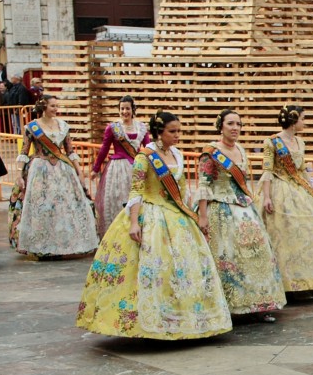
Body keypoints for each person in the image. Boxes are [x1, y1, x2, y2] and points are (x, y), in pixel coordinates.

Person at [76, 110, 232, 339]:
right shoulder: (145, 157)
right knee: (153, 268)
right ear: (159, 132)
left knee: (183, 270)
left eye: (179, 131)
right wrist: (133, 223)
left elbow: (181, 189)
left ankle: (187, 319)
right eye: (173, 131)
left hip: (177, 217)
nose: (177, 135)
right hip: (151, 215)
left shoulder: (177, 154)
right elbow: (136, 190)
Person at [196, 109, 286, 321]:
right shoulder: (210, 152)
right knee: (228, 256)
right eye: (230, 124)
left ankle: (259, 304)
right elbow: (203, 185)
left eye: (238, 124)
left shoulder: (241, 149)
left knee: (258, 254)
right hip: (221, 209)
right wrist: (202, 215)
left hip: (244, 208)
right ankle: (230, 306)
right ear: (221, 126)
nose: (235, 128)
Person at [260, 104, 313, 294]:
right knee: (287, 234)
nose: (304, 122)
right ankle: (292, 282)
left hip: (299, 189)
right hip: (279, 188)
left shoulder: (300, 142)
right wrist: (266, 197)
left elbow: (302, 169)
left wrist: (311, 191)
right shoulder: (271, 142)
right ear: (293, 120)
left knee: (311, 229)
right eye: (302, 118)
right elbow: (266, 170)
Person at [12, 95, 98, 258]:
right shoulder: (32, 127)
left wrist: (79, 172)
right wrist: (19, 174)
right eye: (52, 106)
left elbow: (70, 151)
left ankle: (66, 244)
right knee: (43, 207)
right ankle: (41, 243)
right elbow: (24, 152)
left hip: (63, 170)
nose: (55, 109)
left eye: (57, 106)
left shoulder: (63, 126)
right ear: (43, 107)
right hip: (40, 169)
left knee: (65, 207)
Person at [91, 96, 151, 237]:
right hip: (117, 169)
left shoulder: (141, 127)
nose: (124, 111)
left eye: (127, 108)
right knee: (116, 199)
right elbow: (104, 149)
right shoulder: (113, 128)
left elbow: (148, 148)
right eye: (122, 108)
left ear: (133, 109)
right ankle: (116, 233)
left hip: (136, 168)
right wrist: (95, 168)